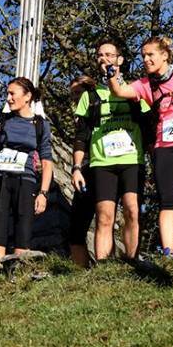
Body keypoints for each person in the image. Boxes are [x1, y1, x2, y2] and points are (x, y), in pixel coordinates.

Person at [107, 36, 173, 257]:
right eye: (143, 55)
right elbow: (120, 92)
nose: (145, 59)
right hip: (164, 144)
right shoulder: (146, 84)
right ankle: (169, 250)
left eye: (150, 54)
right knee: (167, 198)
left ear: (164, 55)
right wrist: (113, 74)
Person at [72, 37, 146, 262]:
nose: (104, 59)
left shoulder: (134, 89)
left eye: (109, 55)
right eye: (100, 56)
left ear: (120, 60)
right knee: (105, 216)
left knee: (132, 211)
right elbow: (81, 135)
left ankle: (132, 261)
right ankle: (104, 266)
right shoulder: (90, 96)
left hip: (132, 159)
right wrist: (76, 167)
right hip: (102, 162)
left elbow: (148, 122)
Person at [0, 77, 54, 269]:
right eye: (7, 93)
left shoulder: (40, 124)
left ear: (27, 96)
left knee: (23, 231)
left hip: (25, 180)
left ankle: (19, 278)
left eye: (12, 94)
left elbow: (46, 161)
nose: (8, 98)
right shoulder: (0, 122)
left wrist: (43, 193)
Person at [68, 75, 97, 267]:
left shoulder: (98, 109)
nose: (75, 99)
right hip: (84, 170)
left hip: (101, 165)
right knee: (76, 228)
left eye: (78, 93)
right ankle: (82, 270)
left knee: (105, 217)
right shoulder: (79, 119)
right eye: (73, 95)